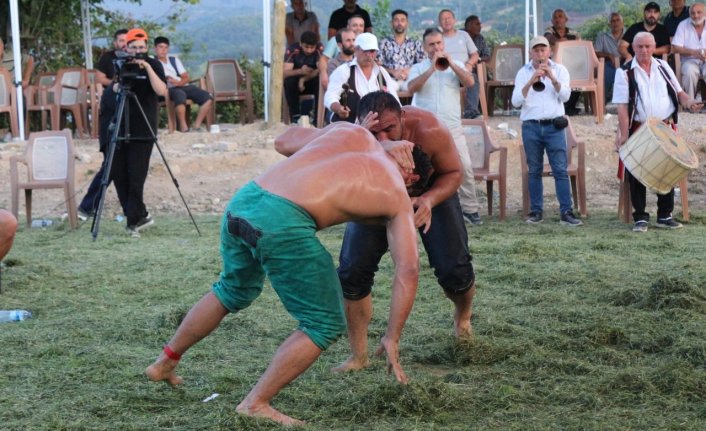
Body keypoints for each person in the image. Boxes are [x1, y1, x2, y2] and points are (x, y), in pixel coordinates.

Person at [146, 121, 426, 426]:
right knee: (324, 323)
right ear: (411, 176)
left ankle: (164, 363)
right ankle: (255, 403)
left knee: (232, 290)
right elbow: (408, 269)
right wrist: (392, 337)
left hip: (245, 200)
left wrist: (379, 143)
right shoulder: (397, 192)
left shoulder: (352, 132)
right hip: (282, 221)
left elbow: (284, 140)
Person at [321, 91, 476, 373]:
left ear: (403, 117)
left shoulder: (429, 129)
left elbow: (454, 173)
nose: (383, 139)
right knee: (352, 272)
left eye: (390, 129)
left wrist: (429, 200)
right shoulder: (357, 135)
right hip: (377, 196)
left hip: (429, 194)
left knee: (454, 269)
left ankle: (462, 317)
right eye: (375, 131)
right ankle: (359, 355)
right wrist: (360, 140)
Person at [613, 32, 702, 232]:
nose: (644, 50)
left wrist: (689, 102)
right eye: (640, 47)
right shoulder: (625, 72)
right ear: (633, 48)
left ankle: (664, 215)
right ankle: (641, 217)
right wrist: (624, 134)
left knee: (668, 169)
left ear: (654, 47)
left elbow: (679, 92)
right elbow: (622, 107)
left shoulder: (663, 67)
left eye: (647, 46)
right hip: (639, 127)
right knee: (636, 171)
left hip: (664, 128)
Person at [407, 28, 482, 226]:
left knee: (464, 166)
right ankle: (418, 206)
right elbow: (410, 88)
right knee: (421, 170)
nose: (436, 47)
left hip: (452, 127)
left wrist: (451, 65)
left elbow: (470, 81)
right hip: (425, 131)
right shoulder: (418, 67)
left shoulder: (454, 64)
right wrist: (432, 68)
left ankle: (471, 210)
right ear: (424, 48)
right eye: (431, 44)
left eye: (439, 43)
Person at [511, 36, 583, 226]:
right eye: (536, 50)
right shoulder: (522, 72)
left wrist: (552, 78)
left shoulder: (560, 70)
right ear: (531, 53)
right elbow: (516, 102)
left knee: (560, 169)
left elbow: (566, 97)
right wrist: (531, 81)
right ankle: (536, 212)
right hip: (531, 126)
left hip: (554, 126)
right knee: (534, 170)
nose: (540, 54)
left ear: (549, 51)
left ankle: (566, 212)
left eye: (543, 50)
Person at [109, 28, 167, 237]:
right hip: (123, 124)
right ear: (127, 47)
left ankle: (133, 222)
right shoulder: (122, 64)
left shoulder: (154, 64)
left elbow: (161, 91)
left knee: (136, 175)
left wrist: (147, 67)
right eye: (134, 48)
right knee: (118, 172)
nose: (138, 51)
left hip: (144, 125)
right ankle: (138, 214)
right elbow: (115, 88)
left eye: (142, 48)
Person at [77, 28, 129, 220]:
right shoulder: (108, 58)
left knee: (116, 168)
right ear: (115, 42)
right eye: (121, 40)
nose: (124, 44)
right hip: (112, 111)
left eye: (127, 41)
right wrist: (116, 83)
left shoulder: (136, 60)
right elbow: (99, 78)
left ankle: (132, 212)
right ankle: (87, 207)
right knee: (111, 167)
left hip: (129, 119)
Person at [324, 33, 398, 123]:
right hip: (348, 127)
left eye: (371, 51)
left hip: (376, 126)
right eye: (365, 50)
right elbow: (330, 97)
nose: (368, 55)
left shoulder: (381, 72)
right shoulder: (344, 70)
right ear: (356, 50)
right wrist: (338, 108)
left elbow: (395, 100)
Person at [153, 36, 212, 133]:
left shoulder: (173, 60)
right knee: (180, 94)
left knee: (207, 97)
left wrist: (178, 83)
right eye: (160, 47)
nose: (163, 50)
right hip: (165, 89)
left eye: (166, 47)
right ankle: (183, 127)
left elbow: (186, 77)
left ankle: (196, 126)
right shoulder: (152, 61)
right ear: (155, 48)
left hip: (180, 86)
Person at [544, 9, 582, 115]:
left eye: (560, 17)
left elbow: (579, 46)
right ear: (552, 21)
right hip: (554, 64)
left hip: (572, 63)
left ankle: (570, 106)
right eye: (555, 17)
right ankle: (563, 107)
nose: (557, 19)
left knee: (578, 74)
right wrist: (563, 43)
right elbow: (548, 38)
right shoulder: (549, 31)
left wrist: (562, 43)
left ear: (566, 19)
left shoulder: (574, 33)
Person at [378, 9, 425, 92]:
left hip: (410, 79)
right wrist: (393, 72)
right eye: (396, 20)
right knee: (389, 89)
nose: (399, 23)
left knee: (416, 88)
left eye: (402, 20)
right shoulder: (384, 43)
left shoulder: (415, 43)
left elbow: (423, 63)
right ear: (391, 23)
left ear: (407, 24)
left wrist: (409, 70)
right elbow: (378, 64)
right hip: (391, 79)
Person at [283, 31, 323, 123]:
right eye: (306, 47)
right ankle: (295, 115)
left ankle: (317, 117)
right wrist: (301, 71)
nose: (309, 50)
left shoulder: (319, 49)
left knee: (320, 81)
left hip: (311, 80)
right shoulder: (293, 49)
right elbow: (285, 73)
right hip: (295, 83)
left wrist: (303, 79)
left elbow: (321, 69)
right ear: (300, 44)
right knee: (289, 81)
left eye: (312, 47)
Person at [318, 15, 365, 90]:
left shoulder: (365, 43)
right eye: (355, 25)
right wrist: (323, 74)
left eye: (361, 26)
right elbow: (323, 59)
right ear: (348, 26)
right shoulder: (335, 40)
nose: (358, 28)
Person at [671, 3, 706, 100]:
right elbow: (675, 48)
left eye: (699, 12)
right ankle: (691, 104)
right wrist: (694, 52)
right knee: (689, 71)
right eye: (693, 13)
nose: (696, 16)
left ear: (705, 13)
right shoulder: (683, 25)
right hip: (689, 61)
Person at [594, 12, 626, 102]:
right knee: (604, 72)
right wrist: (608, 55)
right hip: (609, 63)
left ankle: (627, 102)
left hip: (626, 62)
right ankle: (602, 101)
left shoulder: (629, 34)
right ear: (609, 24)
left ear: (623, 22)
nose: (615, 23)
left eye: (618, 20)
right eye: (613, 21)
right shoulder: (603, 37)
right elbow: (595, 52)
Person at [464, 15, 491, 119]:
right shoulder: (460, 35)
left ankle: (472, 112)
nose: (480, 26)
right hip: (457, 69)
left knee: (475, 79)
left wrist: (477, 60)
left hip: (474, 70)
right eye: (477, 24)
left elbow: (487, 56)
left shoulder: (480, 38)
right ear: (469, 26)